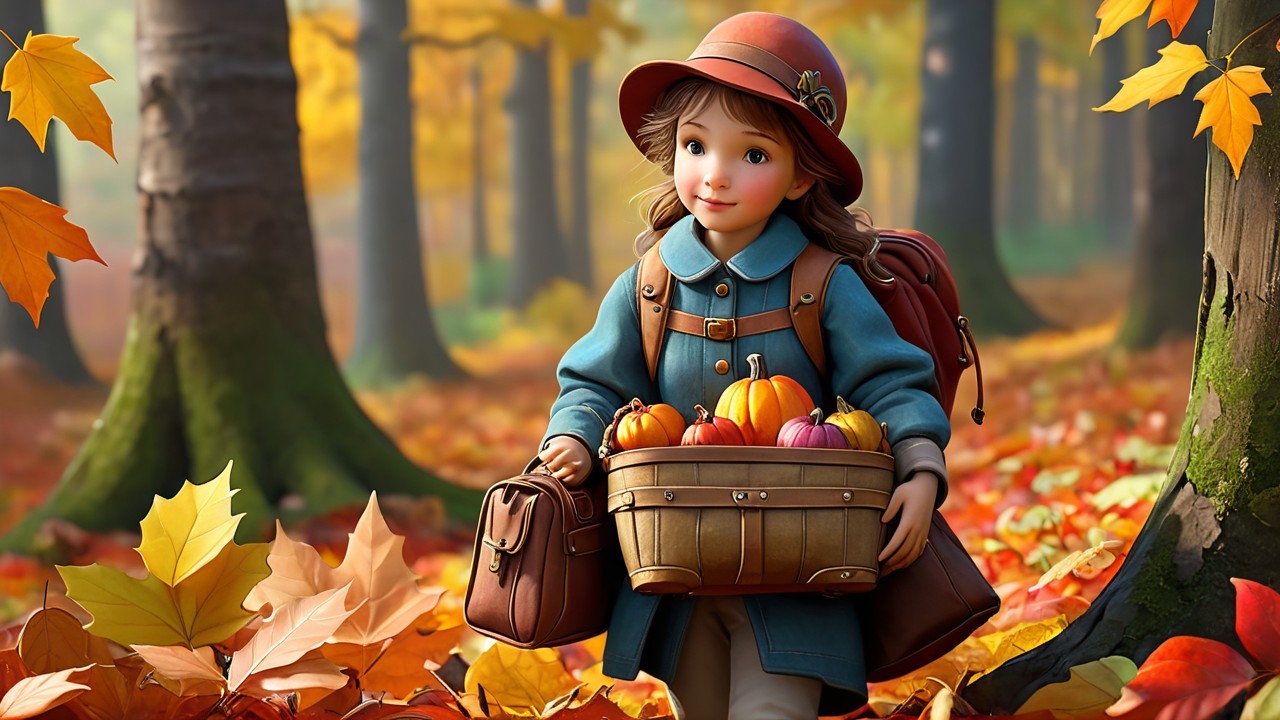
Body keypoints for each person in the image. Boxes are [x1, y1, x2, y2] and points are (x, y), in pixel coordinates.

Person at [535, 12, 951, 720]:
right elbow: (597, 382)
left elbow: (888, 381)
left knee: (772, 710)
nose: (716, 174)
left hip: (799, 567)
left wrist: (919, 465)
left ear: (797, 179)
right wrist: (572, 436)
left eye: (752, 155)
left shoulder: (822, 282)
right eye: (696, 146)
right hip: (676, 566)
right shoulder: (651, 283)